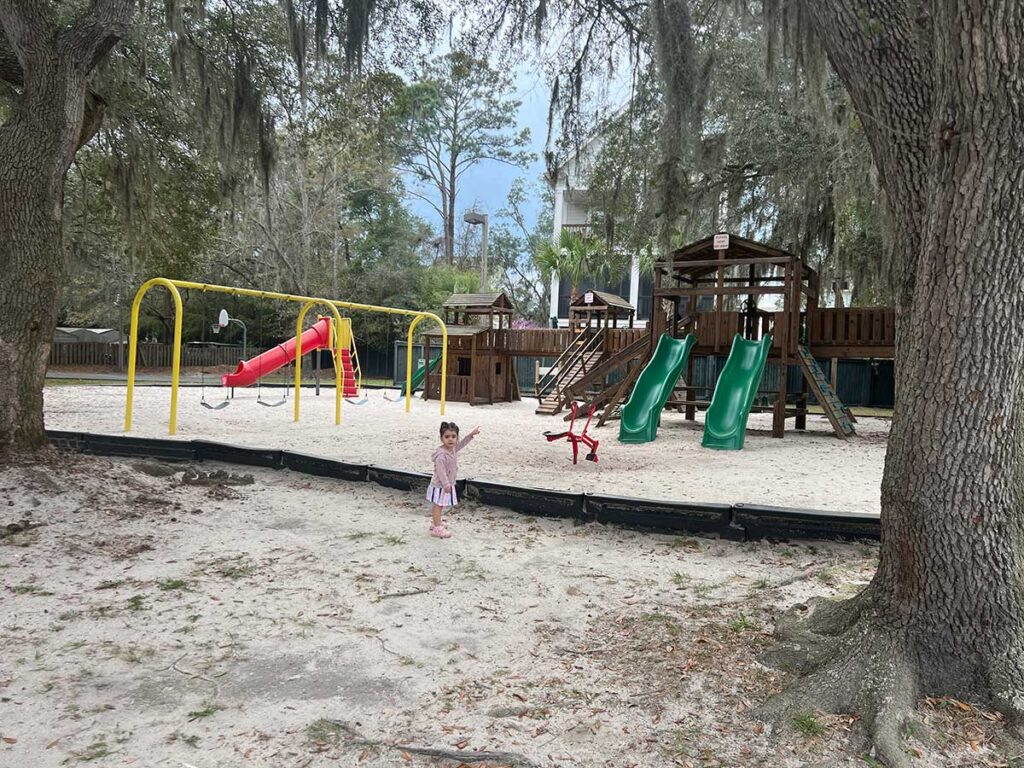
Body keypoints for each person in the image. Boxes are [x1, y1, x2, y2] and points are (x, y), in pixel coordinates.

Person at [427, 421, 480, 538]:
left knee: (439, 504)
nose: (450, 439)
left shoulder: (452, 449)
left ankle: (437, 522)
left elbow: (461, 444)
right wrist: (446, 484)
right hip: (440, 485)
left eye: (453, 437)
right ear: (441, 438)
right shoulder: (441, 455)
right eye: (446, 437)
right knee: (438, 505)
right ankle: (436, 528)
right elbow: (440, 472)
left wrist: (471, 435)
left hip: (445, 484)